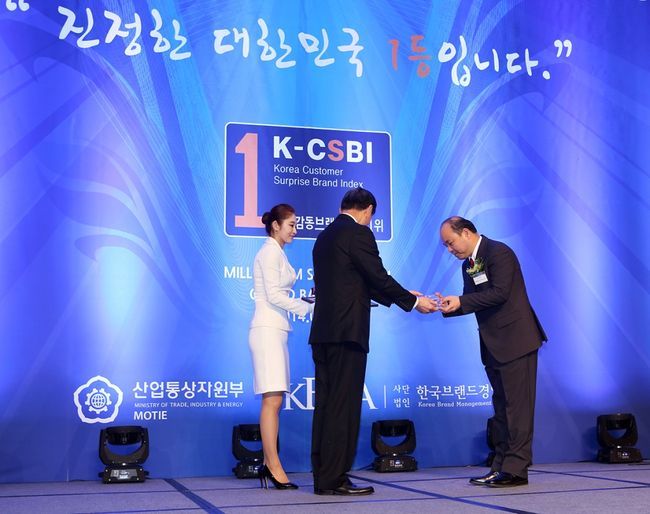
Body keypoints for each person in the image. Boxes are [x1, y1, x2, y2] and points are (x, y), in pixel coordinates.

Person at [309, 187, 437, 496]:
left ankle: (324, 476)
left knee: (326, 405)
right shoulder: (358, 233)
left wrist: (404, 296)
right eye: (371, 216)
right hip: (347, 333)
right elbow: (377, 276)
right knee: (343, 407)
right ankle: (335, 478)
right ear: (367, 210)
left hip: (324, 333)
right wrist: (413, 302)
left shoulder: (324, 236)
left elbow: (360, 281)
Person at [437, 216, 547, 488]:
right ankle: (499, 466)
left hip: (516, 341)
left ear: (465, 232)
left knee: (517, 410)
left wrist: (461, 301)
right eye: (446, 246)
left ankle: (516, 470)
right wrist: (449, 306)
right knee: (501, 409)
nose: (449, 249)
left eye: (450, 243)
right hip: (493, 344)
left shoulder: (499, 252)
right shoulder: (468, 264)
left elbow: (500, 293)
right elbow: (472, 301)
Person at [249, 203, 314, 490]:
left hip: (276, 329)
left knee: (274, 400)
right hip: (267, 330)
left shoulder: (277, 251)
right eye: (291, 225)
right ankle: (273, 466)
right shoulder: (269, 252)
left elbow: (279, 294)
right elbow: (274, 295)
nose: (295, 230)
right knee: (272, 401)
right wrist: (306, 307)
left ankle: (269, 463)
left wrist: (308, 302)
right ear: (275, 225)